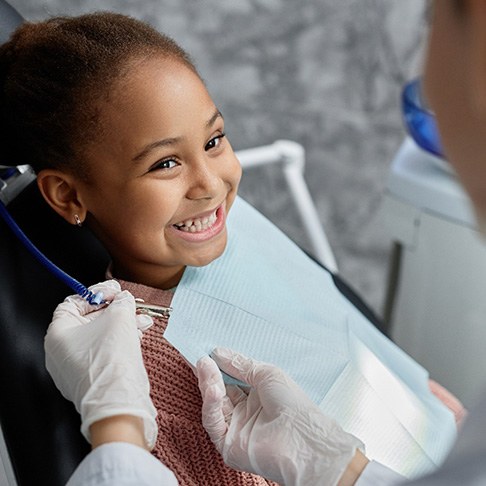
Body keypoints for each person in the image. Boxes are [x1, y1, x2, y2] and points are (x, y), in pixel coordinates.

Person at [0, 7, 463, 486]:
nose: (211, 184)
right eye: (164, 164)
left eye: (215, 139)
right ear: (69, 195)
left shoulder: (233, 230)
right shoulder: (143, 371)